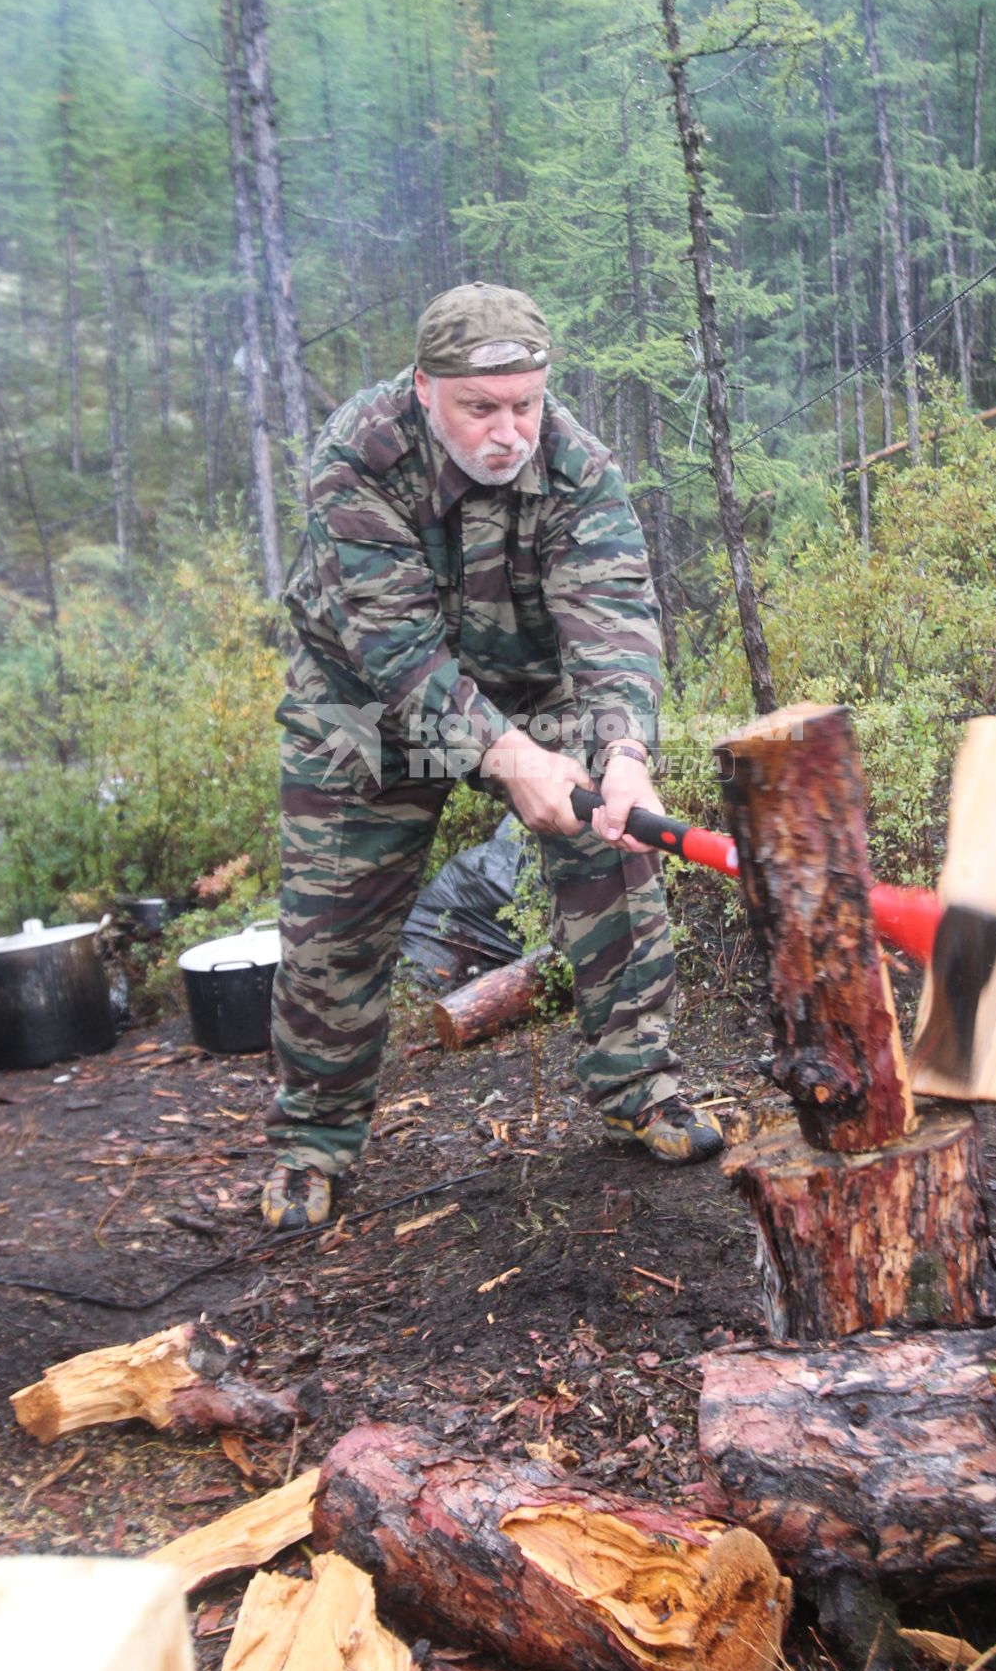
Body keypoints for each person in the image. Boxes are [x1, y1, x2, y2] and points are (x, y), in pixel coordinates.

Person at [262, 282, 723, 1230]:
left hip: (529, 687)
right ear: (426, 389)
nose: (508, 430)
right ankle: (314, 1139)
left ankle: (642, 1085)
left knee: (613, 849)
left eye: (525, 403)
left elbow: (614, 619)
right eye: (481, 408)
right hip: (363, 704)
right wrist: (508, 760)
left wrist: (623, 752)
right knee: (332, 921)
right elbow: (393, 652)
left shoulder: (575, 462)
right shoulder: (358, 457)